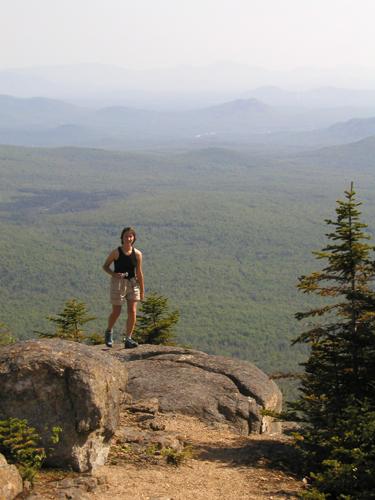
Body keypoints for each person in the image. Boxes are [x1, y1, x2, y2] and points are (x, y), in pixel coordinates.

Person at [102, 226, 144, 348]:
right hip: (118, 284)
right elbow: (105, 266)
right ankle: (109, 331)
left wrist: (142, 290)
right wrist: (114, 274)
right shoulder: (116, 252)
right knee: (117, 311)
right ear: (122, 238)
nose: (128, 238)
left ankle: (128, 338)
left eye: (131, 236)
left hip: (132, 283)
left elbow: (139, 272)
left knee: (132, 311)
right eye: (126, 236)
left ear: (134, 238)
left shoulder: (137, 254)